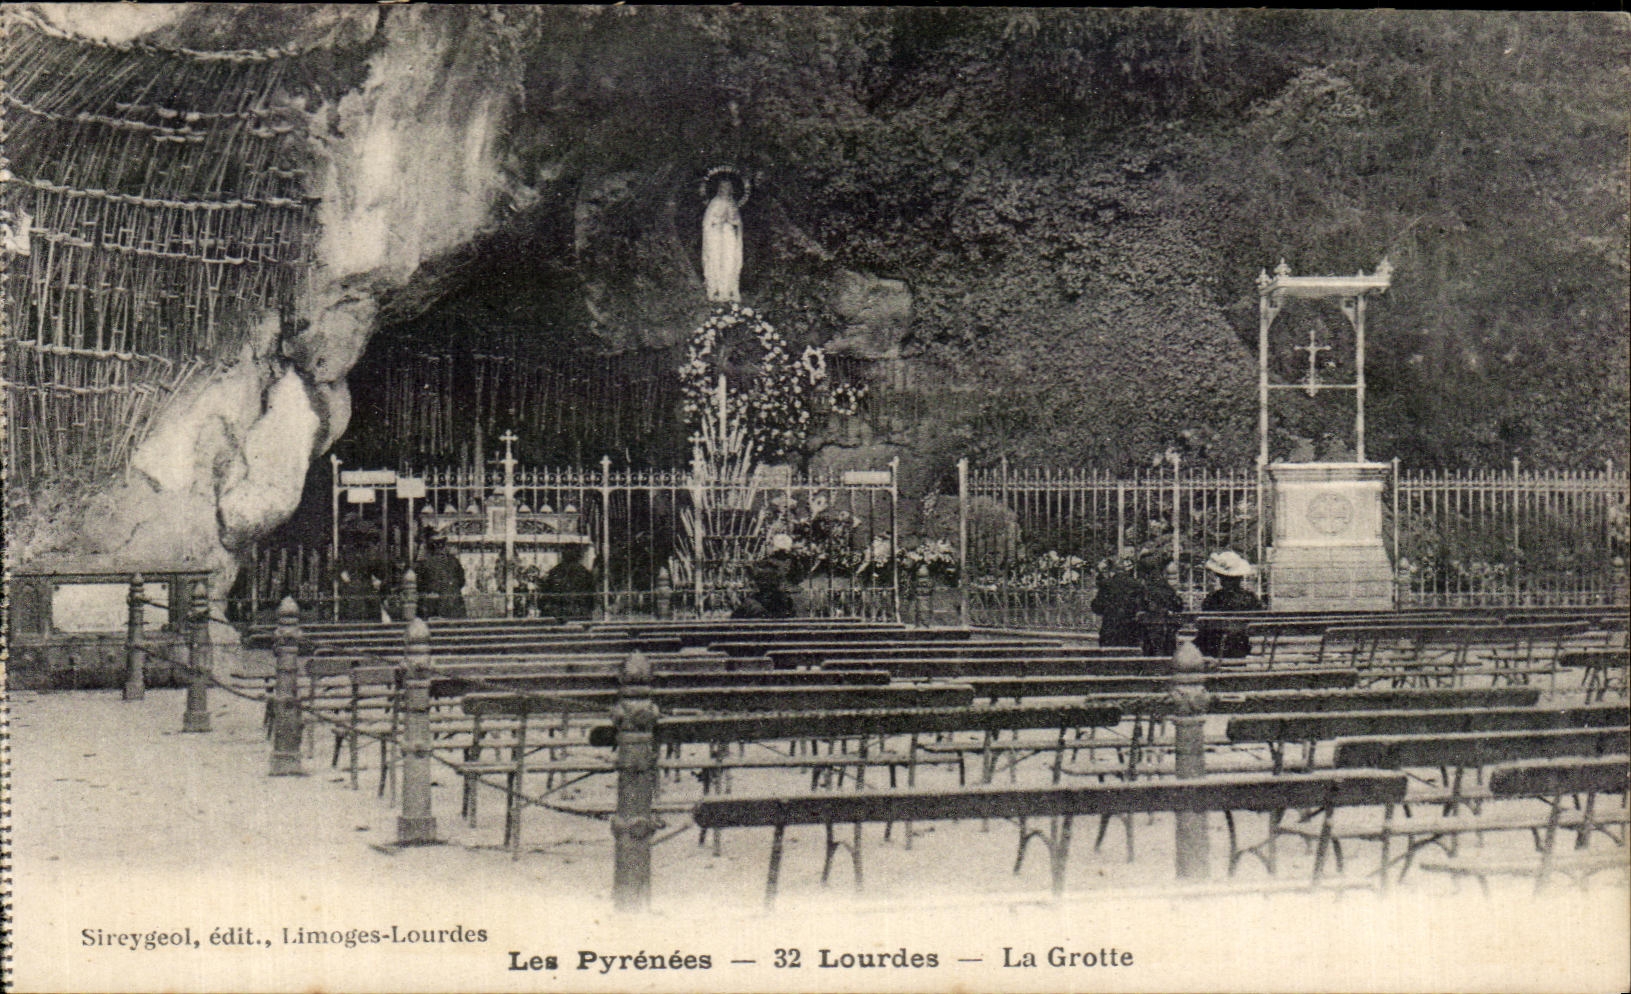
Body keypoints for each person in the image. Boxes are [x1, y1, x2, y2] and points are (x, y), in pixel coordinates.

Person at [1196, 550, 1265, 659]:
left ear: (1221, 578)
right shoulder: (1251, 598)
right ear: (1240, 578)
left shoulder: (1213, 598)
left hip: (1214, 647)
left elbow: (1203, 625)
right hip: (1241, 646)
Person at [1136, 552, 1185, 657]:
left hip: (1150, 629)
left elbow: (1139, 606)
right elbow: (1178, 606)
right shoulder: (1166, 586)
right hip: (1167, 627)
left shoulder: (1145, 587)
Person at [1090, 557, 1145, 648]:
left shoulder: (1106, 584)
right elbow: (1141, 606)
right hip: (1130, 628)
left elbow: (1097, 607)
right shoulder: (1136, 585)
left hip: (1110, 628)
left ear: (1113, 571)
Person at [538, 544, 597, 621]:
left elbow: (546, 592)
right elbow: (591, 596)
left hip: (558, 613)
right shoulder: (585, 572)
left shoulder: (555, 571)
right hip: (580, 612)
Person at [415, 531, 467, 619]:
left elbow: (420, 585)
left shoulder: (425, 563)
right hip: (454, 602)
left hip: (433, 604)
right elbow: (461, 581)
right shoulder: (453, 561)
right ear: (444, 545)